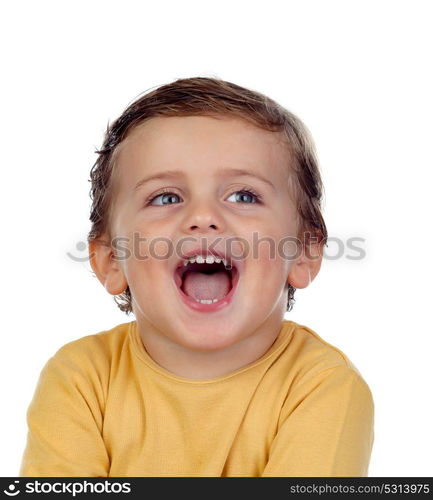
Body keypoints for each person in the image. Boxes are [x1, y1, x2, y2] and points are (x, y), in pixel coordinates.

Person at [19, 77, 374, 477]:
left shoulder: (322, 386)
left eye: (243, 196)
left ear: (305, 252)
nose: (203, 217)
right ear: (111, 261)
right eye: (166, 197)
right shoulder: (81, 378)